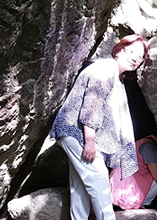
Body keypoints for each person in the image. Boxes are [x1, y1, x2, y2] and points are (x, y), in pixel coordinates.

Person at [49, 34, 149, 220]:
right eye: (132, 52)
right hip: (77, 133)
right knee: (99, 182)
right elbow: (92, 103)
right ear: (120, 50)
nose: (136, 58)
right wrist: (90, 141)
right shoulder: (105, 69)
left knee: (79, 187)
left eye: (140, 56)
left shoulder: (114, 74)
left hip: (75, 133)